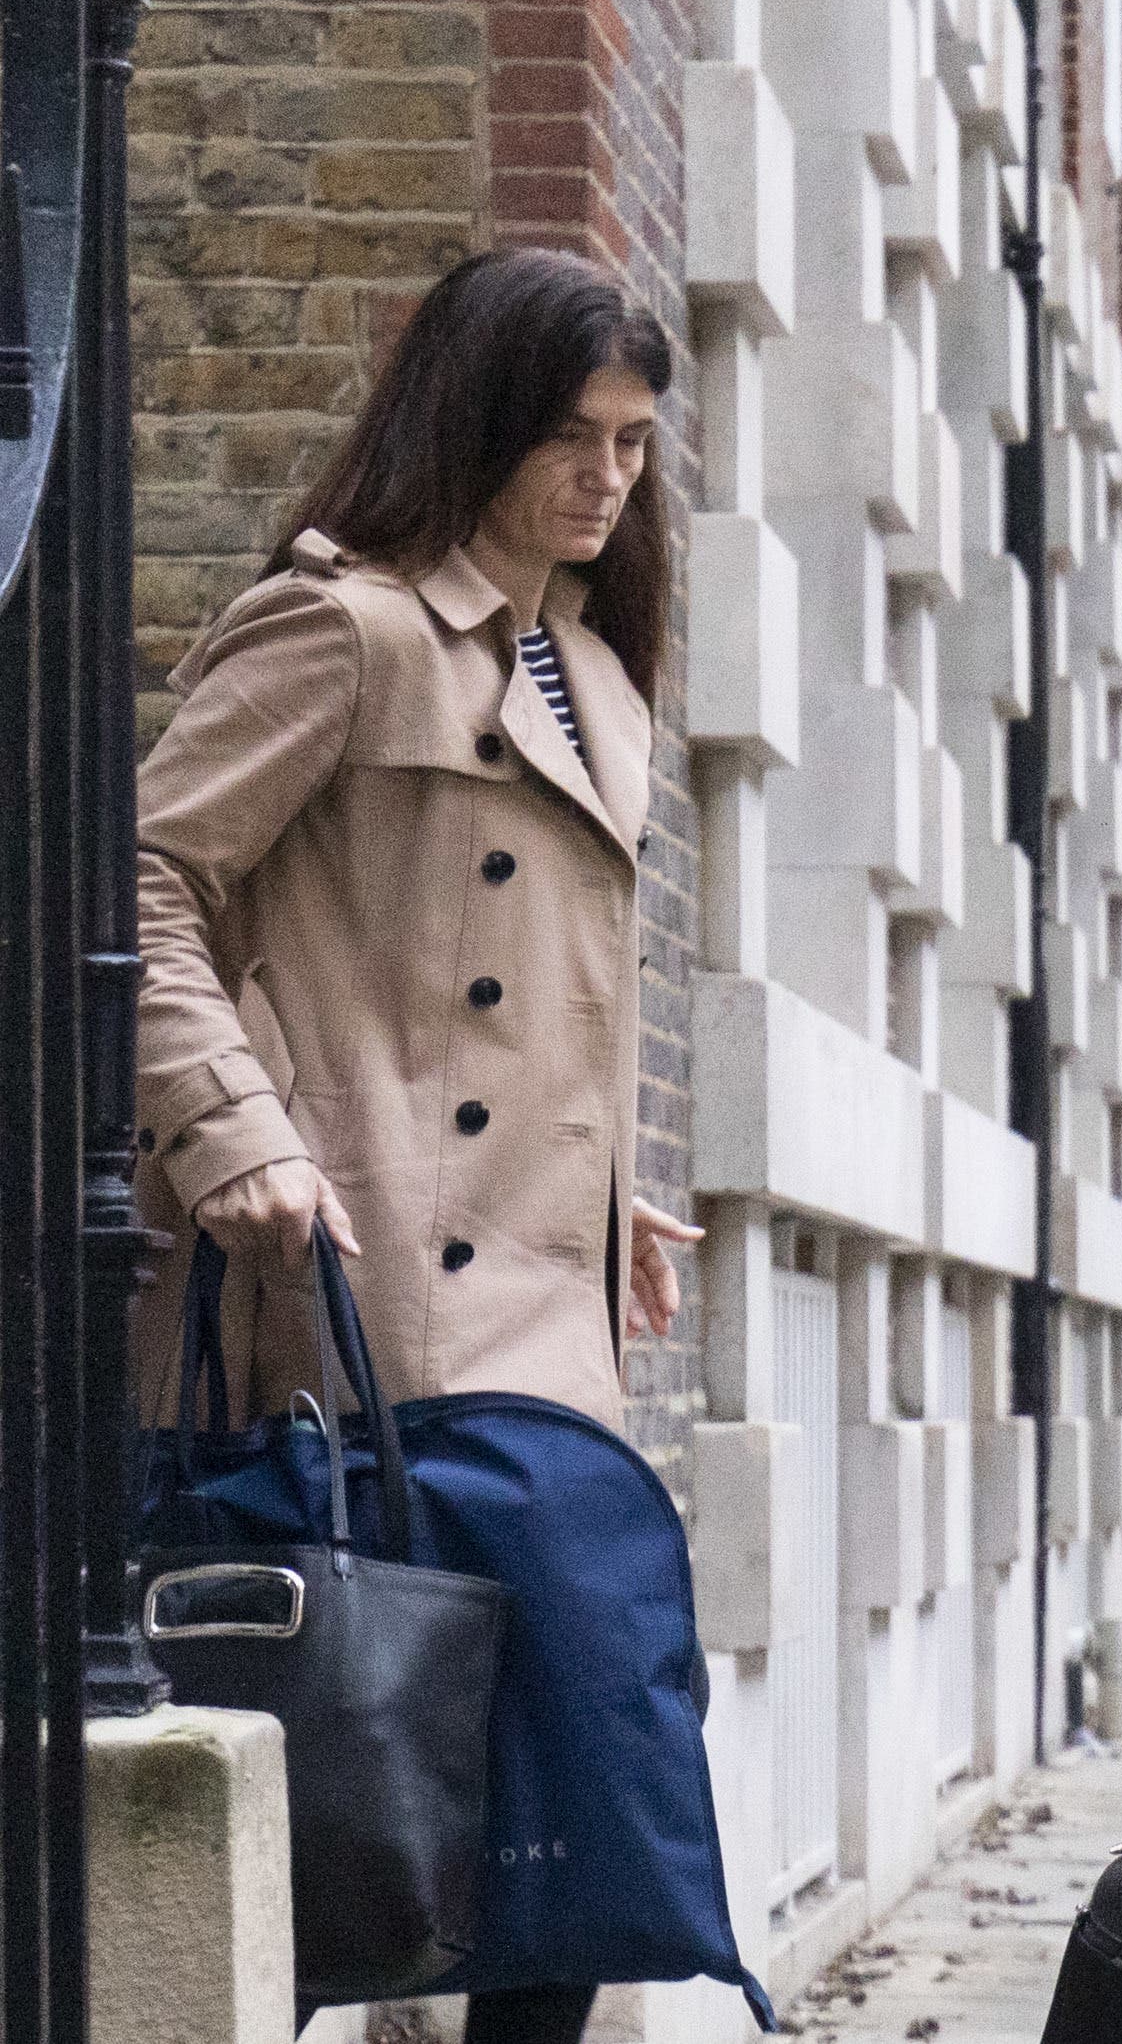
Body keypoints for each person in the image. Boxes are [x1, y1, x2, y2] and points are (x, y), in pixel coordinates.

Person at [130, 246, 705, 2044]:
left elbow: (524, 1005)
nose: (607, 478)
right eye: (571, 438)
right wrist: (227, 1125)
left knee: (565, 1821)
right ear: (473, 421)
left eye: (631, 441)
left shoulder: (595, 674)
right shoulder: (348, 631)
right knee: (383, 1796)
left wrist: (611, 1183)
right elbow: (137, 876)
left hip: (540, 1315)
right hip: (366, 1279)